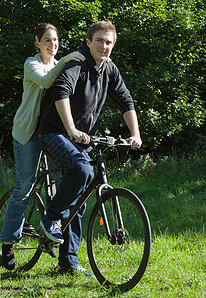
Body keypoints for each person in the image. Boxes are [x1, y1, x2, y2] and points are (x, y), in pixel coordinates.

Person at [38, 21, 142, 277]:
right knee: (82, 171)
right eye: (99, 41)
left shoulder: (109, 69)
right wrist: (72, 129)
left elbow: (125, 100)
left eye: (108, 42)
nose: (104, 46)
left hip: (83, 137)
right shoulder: (77, 63)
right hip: (54, 132)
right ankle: (50, 217)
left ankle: (69, 263)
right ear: (88, 42)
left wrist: (135, 134)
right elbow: (60, 91)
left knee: (81, 199)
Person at [0, 23, 85, 270]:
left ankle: (54, 238)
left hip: (53, 133)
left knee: (62, 186)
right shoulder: (31, 64)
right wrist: (67, 58)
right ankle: (8, 241)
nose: (53, 45)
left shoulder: (61, 65)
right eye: (47, 40)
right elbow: (47, 81)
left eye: (56, 40)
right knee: (24, 186)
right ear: (37, 42)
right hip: (27, 133)